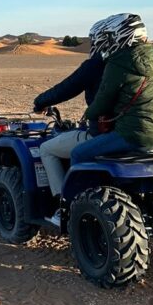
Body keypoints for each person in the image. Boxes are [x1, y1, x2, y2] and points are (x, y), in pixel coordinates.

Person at [70, 13, 153, 164]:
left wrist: (88, 114)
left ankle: (79, 188)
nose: (109, 40)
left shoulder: (119, 62)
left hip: (134, 135)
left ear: (121, 35)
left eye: (111, 36)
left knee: (78, 153)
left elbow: (103, 100)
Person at [34, 18, 110, 199]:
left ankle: (63, 203)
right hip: (137, 135)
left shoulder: (96, 65)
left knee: (46, 149)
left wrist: (40, 102)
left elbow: (66, 88)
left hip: (102, 134)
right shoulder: (132, 66)